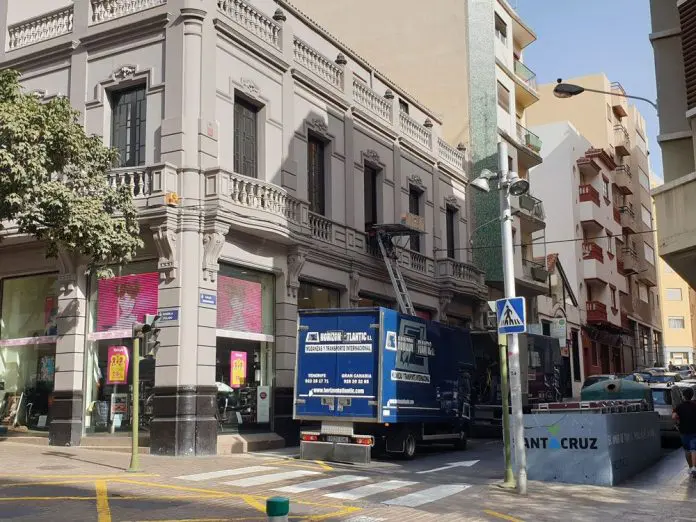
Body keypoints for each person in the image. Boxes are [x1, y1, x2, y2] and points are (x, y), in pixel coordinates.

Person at [673, 386, 696, 477]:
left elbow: (674, 416)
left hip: (683, 431)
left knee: (687, 450)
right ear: (692, 395)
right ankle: (694, 468)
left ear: (683, 396)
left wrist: (677, 423)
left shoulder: (679, 406)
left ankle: (690, 467)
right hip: (694, 430)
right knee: (694, 449)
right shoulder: (695, 405)